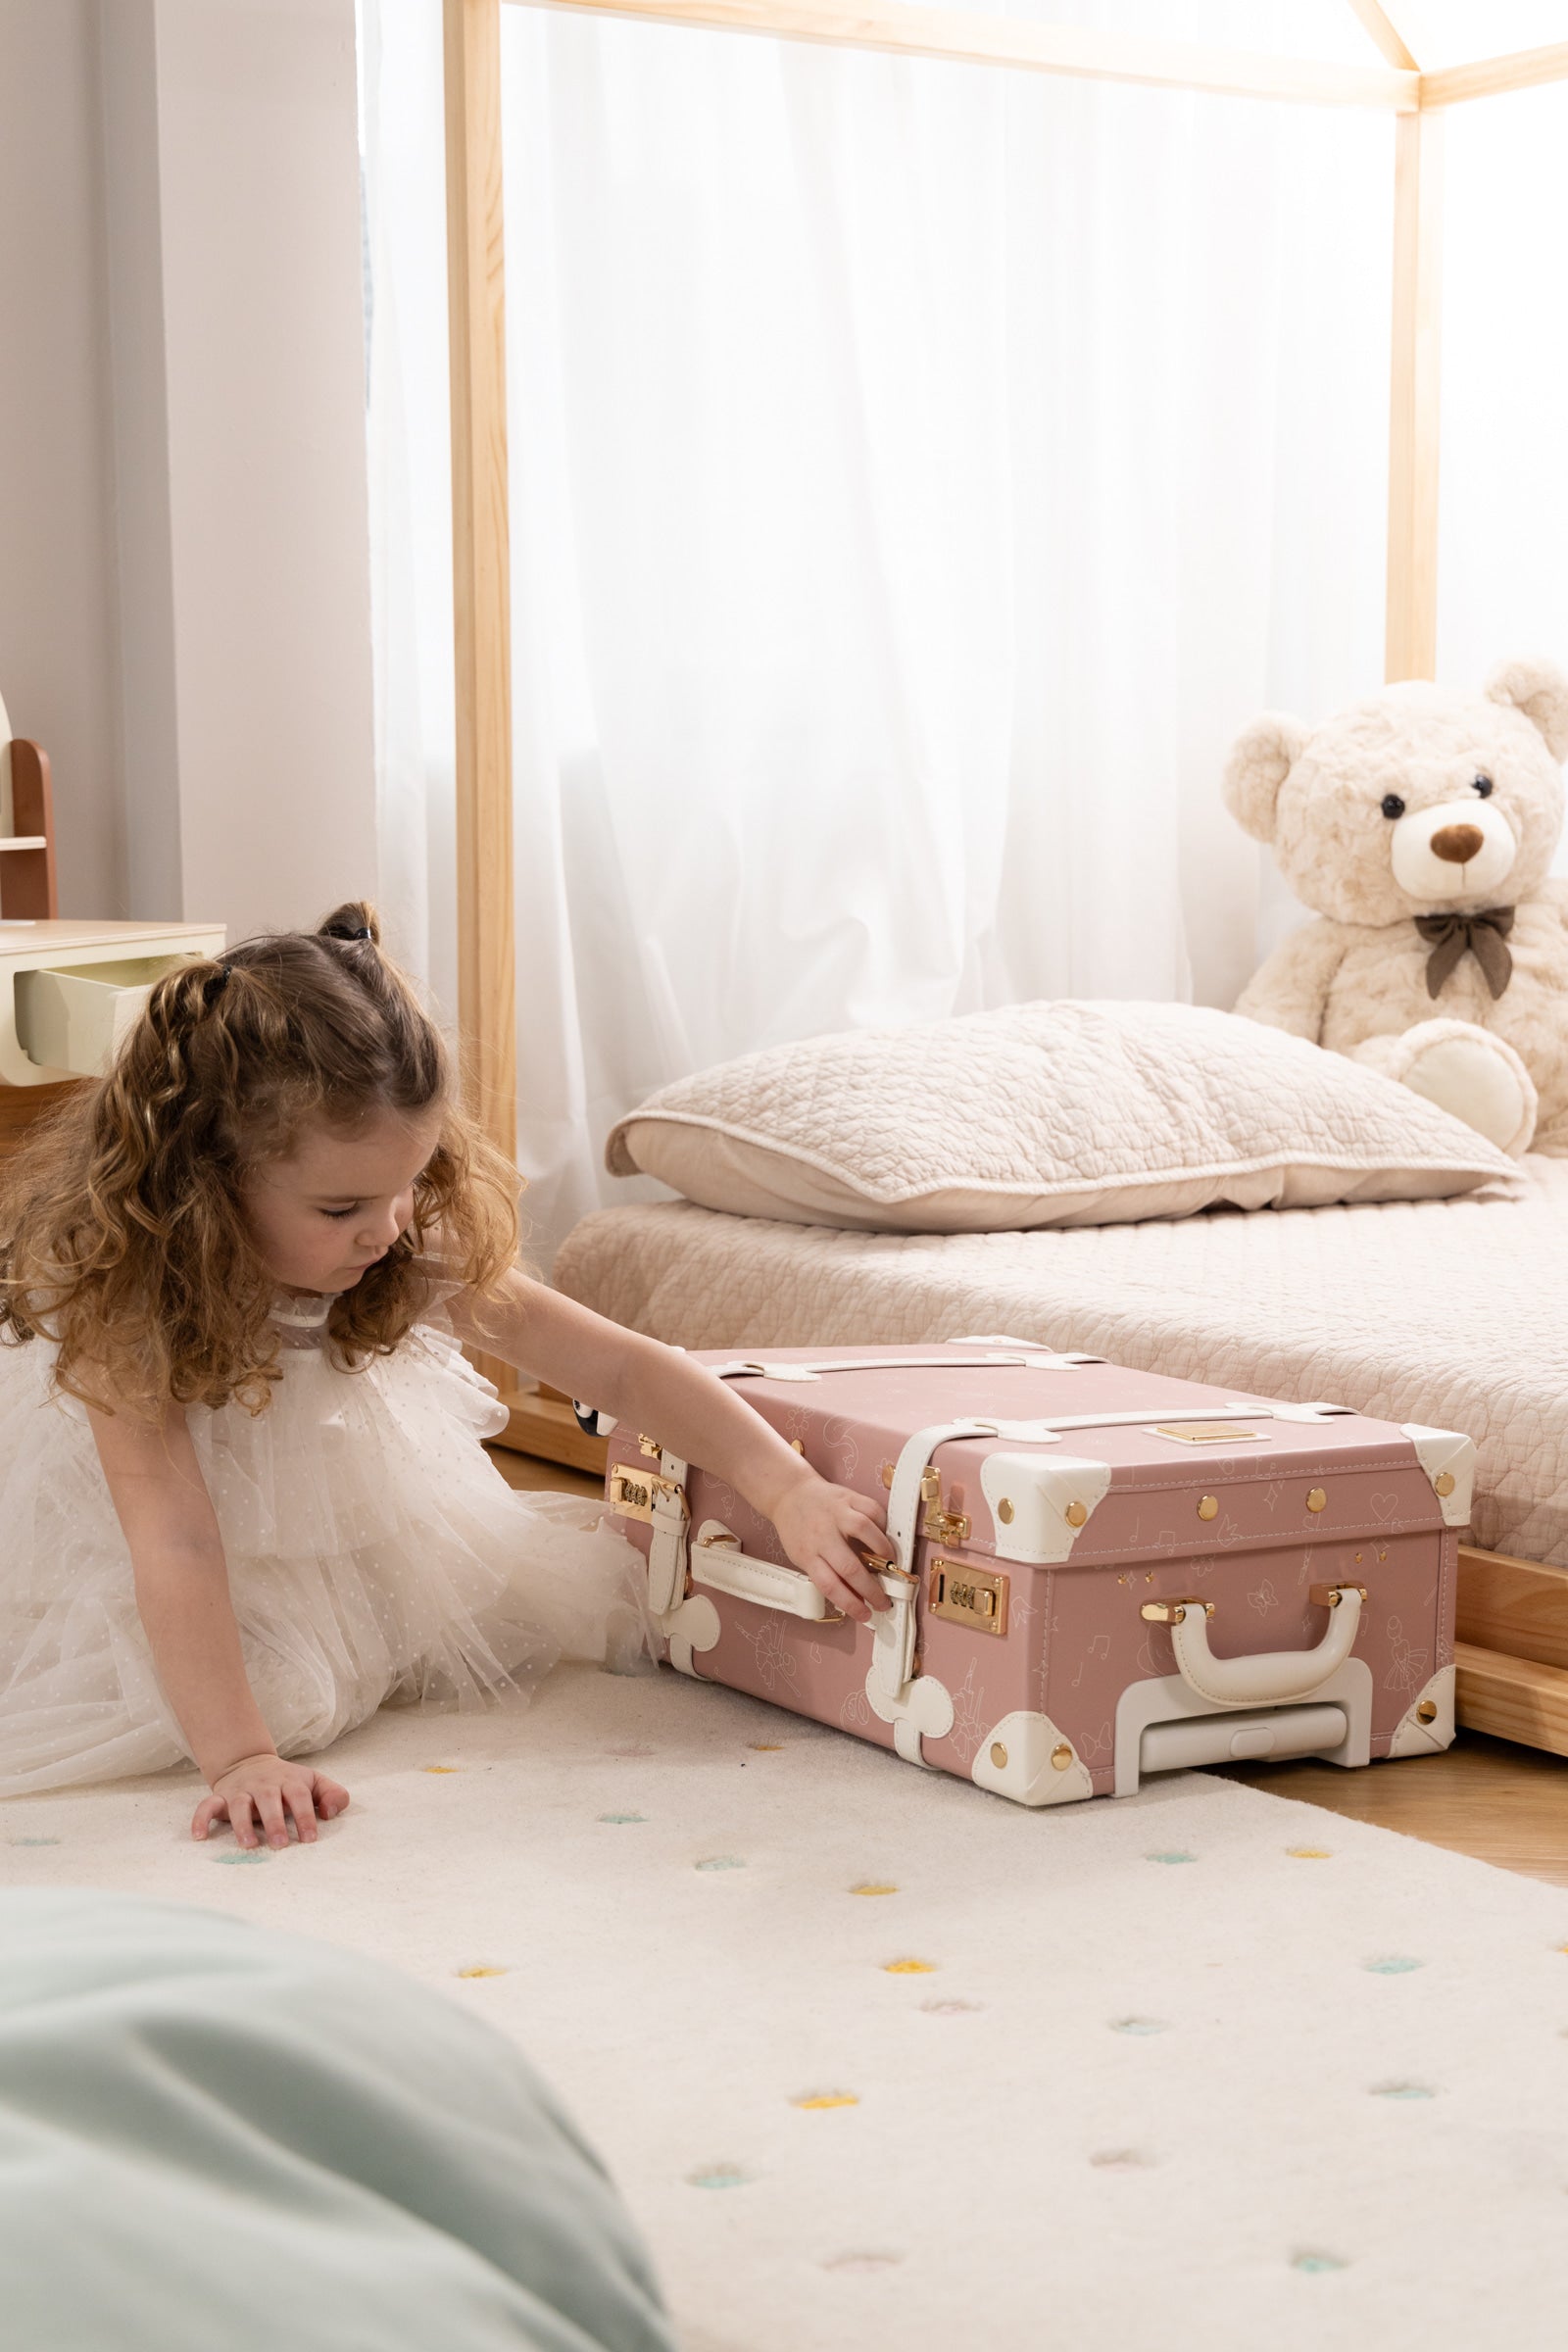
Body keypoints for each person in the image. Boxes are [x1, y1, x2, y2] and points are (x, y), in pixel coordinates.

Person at [0, 906, 889, 1846]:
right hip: (143, 1533)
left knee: (397, 1640)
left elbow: (621, 1366)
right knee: (243, 1697)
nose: (383, 1230)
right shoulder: (124, 1301)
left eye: (406, 1185)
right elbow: (175, 1540)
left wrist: (785, 1486)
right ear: (205, 1178)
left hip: (323, 1514)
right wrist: (240, 1757)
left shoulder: (399, 1244)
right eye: (342, 1206)